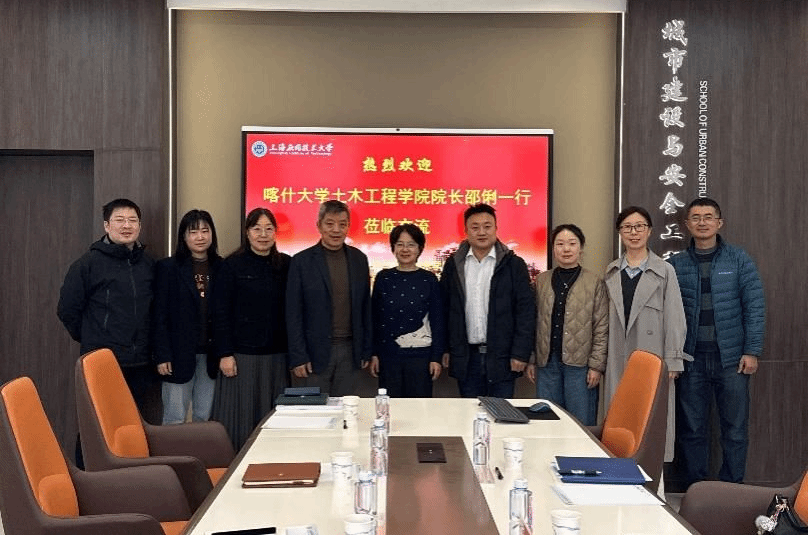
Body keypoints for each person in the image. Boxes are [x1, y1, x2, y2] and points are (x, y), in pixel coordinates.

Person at [668, 198, 765, 486]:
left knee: (735, 430)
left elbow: (755, 306)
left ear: (719, 223)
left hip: (732, 360)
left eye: (708, 217)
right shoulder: (675, 265)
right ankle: (695, 491)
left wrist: (752, 350)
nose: (702, 222)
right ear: (687, 224)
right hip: (691, 360)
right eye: (696, 217)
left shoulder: (738, 259)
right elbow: (668, 315)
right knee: (692, 429)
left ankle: (731, 489)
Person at [57, 198, 157, 421]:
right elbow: (67, 309)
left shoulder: (149, 264)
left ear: (140, 226)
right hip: (102, 360)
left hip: (141, 362)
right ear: (106, 225)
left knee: (133, 424)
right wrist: (93, 337)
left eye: (132, 220)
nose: (127, 225)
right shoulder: (88, 264)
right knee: (100, 423)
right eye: (119, 220)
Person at [604, 206, 686, 462]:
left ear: (649, 231)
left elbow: (675, 318)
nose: (634, 232)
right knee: (619, 419)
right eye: (627, 227)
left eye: (639, 226)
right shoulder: (611, 272)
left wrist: (673, 360)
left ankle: (654, 478)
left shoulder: (665, 271)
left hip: (653, 355)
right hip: (618, 354)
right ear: (620, 233)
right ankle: (618, 472)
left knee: (650, 419)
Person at [212, 207, 290, 450]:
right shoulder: (231, 265)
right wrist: (225, 353)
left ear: (275, 233)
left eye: (269, 229)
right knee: (240, 419)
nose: (263, 235)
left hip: (277, 356)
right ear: (247, 232)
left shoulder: (286, 265)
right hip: (241, 356)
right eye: (257, 229)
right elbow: (220, 312)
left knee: (274, 418)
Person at [440, 203, 535, 398]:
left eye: (487, 226)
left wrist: (520, 353)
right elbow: (445, 309)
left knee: (501, 412)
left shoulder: (513, 264)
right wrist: (446, 348)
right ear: (466, 231)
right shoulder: (454, 264)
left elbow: (525, 312)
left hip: (503, 357)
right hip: (466, 357)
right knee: (469, 412)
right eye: (475, 227)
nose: (481, 232)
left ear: (496, 228)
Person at [286, 200, 372, 396]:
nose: (336, 230)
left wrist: (366, 349)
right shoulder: (301, 261)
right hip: (313, 353)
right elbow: (293, 313)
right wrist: (299, 356)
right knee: (314, 409)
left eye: (342, 224)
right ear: (319, 225)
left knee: (345, 407)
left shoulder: (359, 259)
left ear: (348, 227)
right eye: (330, 223)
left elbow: (365, 308)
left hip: (350, 351)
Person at [527, 224, 608, 426]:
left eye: (572, 244)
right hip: (547, 364)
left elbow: (601, 326)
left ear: (581, 248)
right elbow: (533, 321)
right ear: (553, 248)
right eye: (560, 244)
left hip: (580, 366)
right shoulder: (541, 280)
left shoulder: (594, 282)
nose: (566, 249)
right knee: (547, 421)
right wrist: (531, 359)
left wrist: (596, 366)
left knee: (581, 423)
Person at [153, 209, 221, 424]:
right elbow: (159, 314)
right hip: (176, 354)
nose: (200, 237)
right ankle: (173, 450)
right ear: (183, 236)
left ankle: (203, 450)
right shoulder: (167, 268)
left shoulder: (222, 267)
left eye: (205, 231)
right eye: (193, 232)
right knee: (175, 417)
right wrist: (162, 354)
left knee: (205, 417)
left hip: (211, 356)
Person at [369, 224, 445, 397]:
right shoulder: (383, 278)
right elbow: (375, 318)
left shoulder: (429, 279)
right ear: (393, 248)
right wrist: (374, 353)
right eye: (400, 244)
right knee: (390, 405)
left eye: (411, 244)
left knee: (420, 406)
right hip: (388, 356)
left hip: (421, 357)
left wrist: (436, 357)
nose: (405, 249)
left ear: (419, 248)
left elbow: (438, 320)